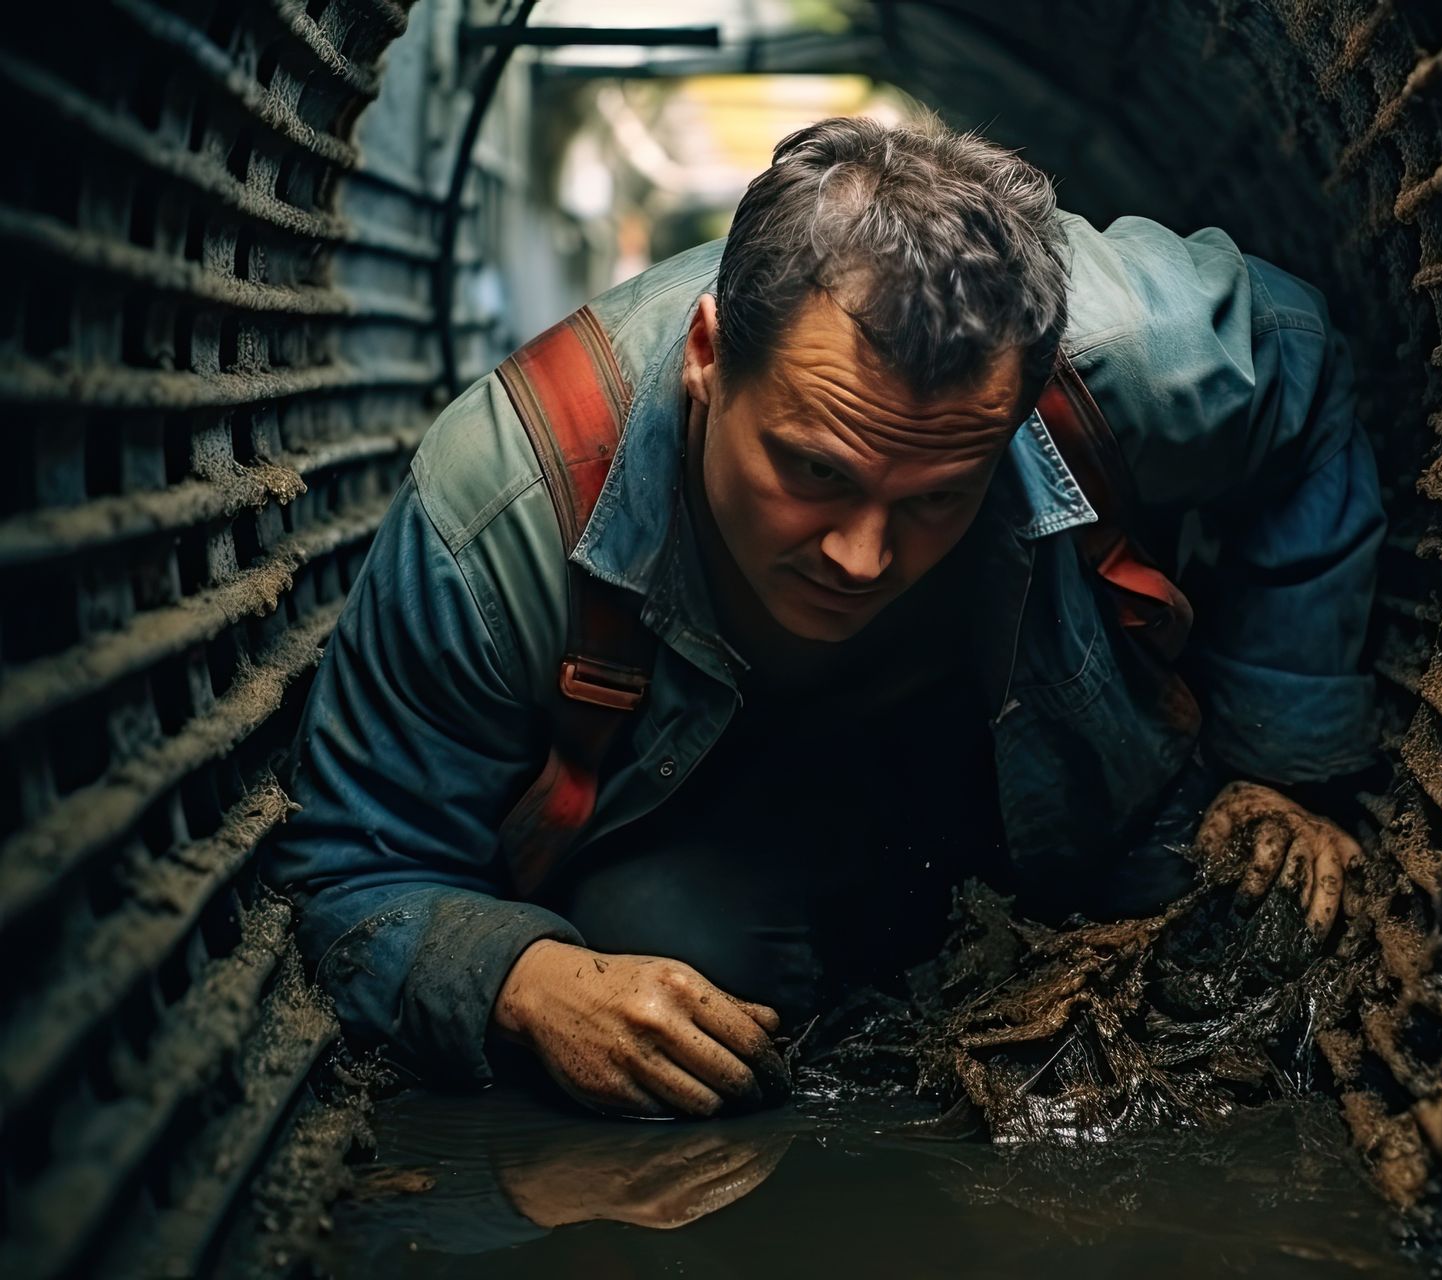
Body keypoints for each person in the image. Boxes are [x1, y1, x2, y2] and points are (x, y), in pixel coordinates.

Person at [263, 116, 1385, 1120]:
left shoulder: (1136, 353)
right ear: (708, 357)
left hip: (1063, 771)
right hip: (717, 835)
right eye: (814, 470)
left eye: (940, 494)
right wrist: (526, 983)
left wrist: (1280, 765)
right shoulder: (504, 505)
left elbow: (1310, 367)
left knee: (1247, 928)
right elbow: (359, 868)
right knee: (659, 976)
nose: (862, 556)